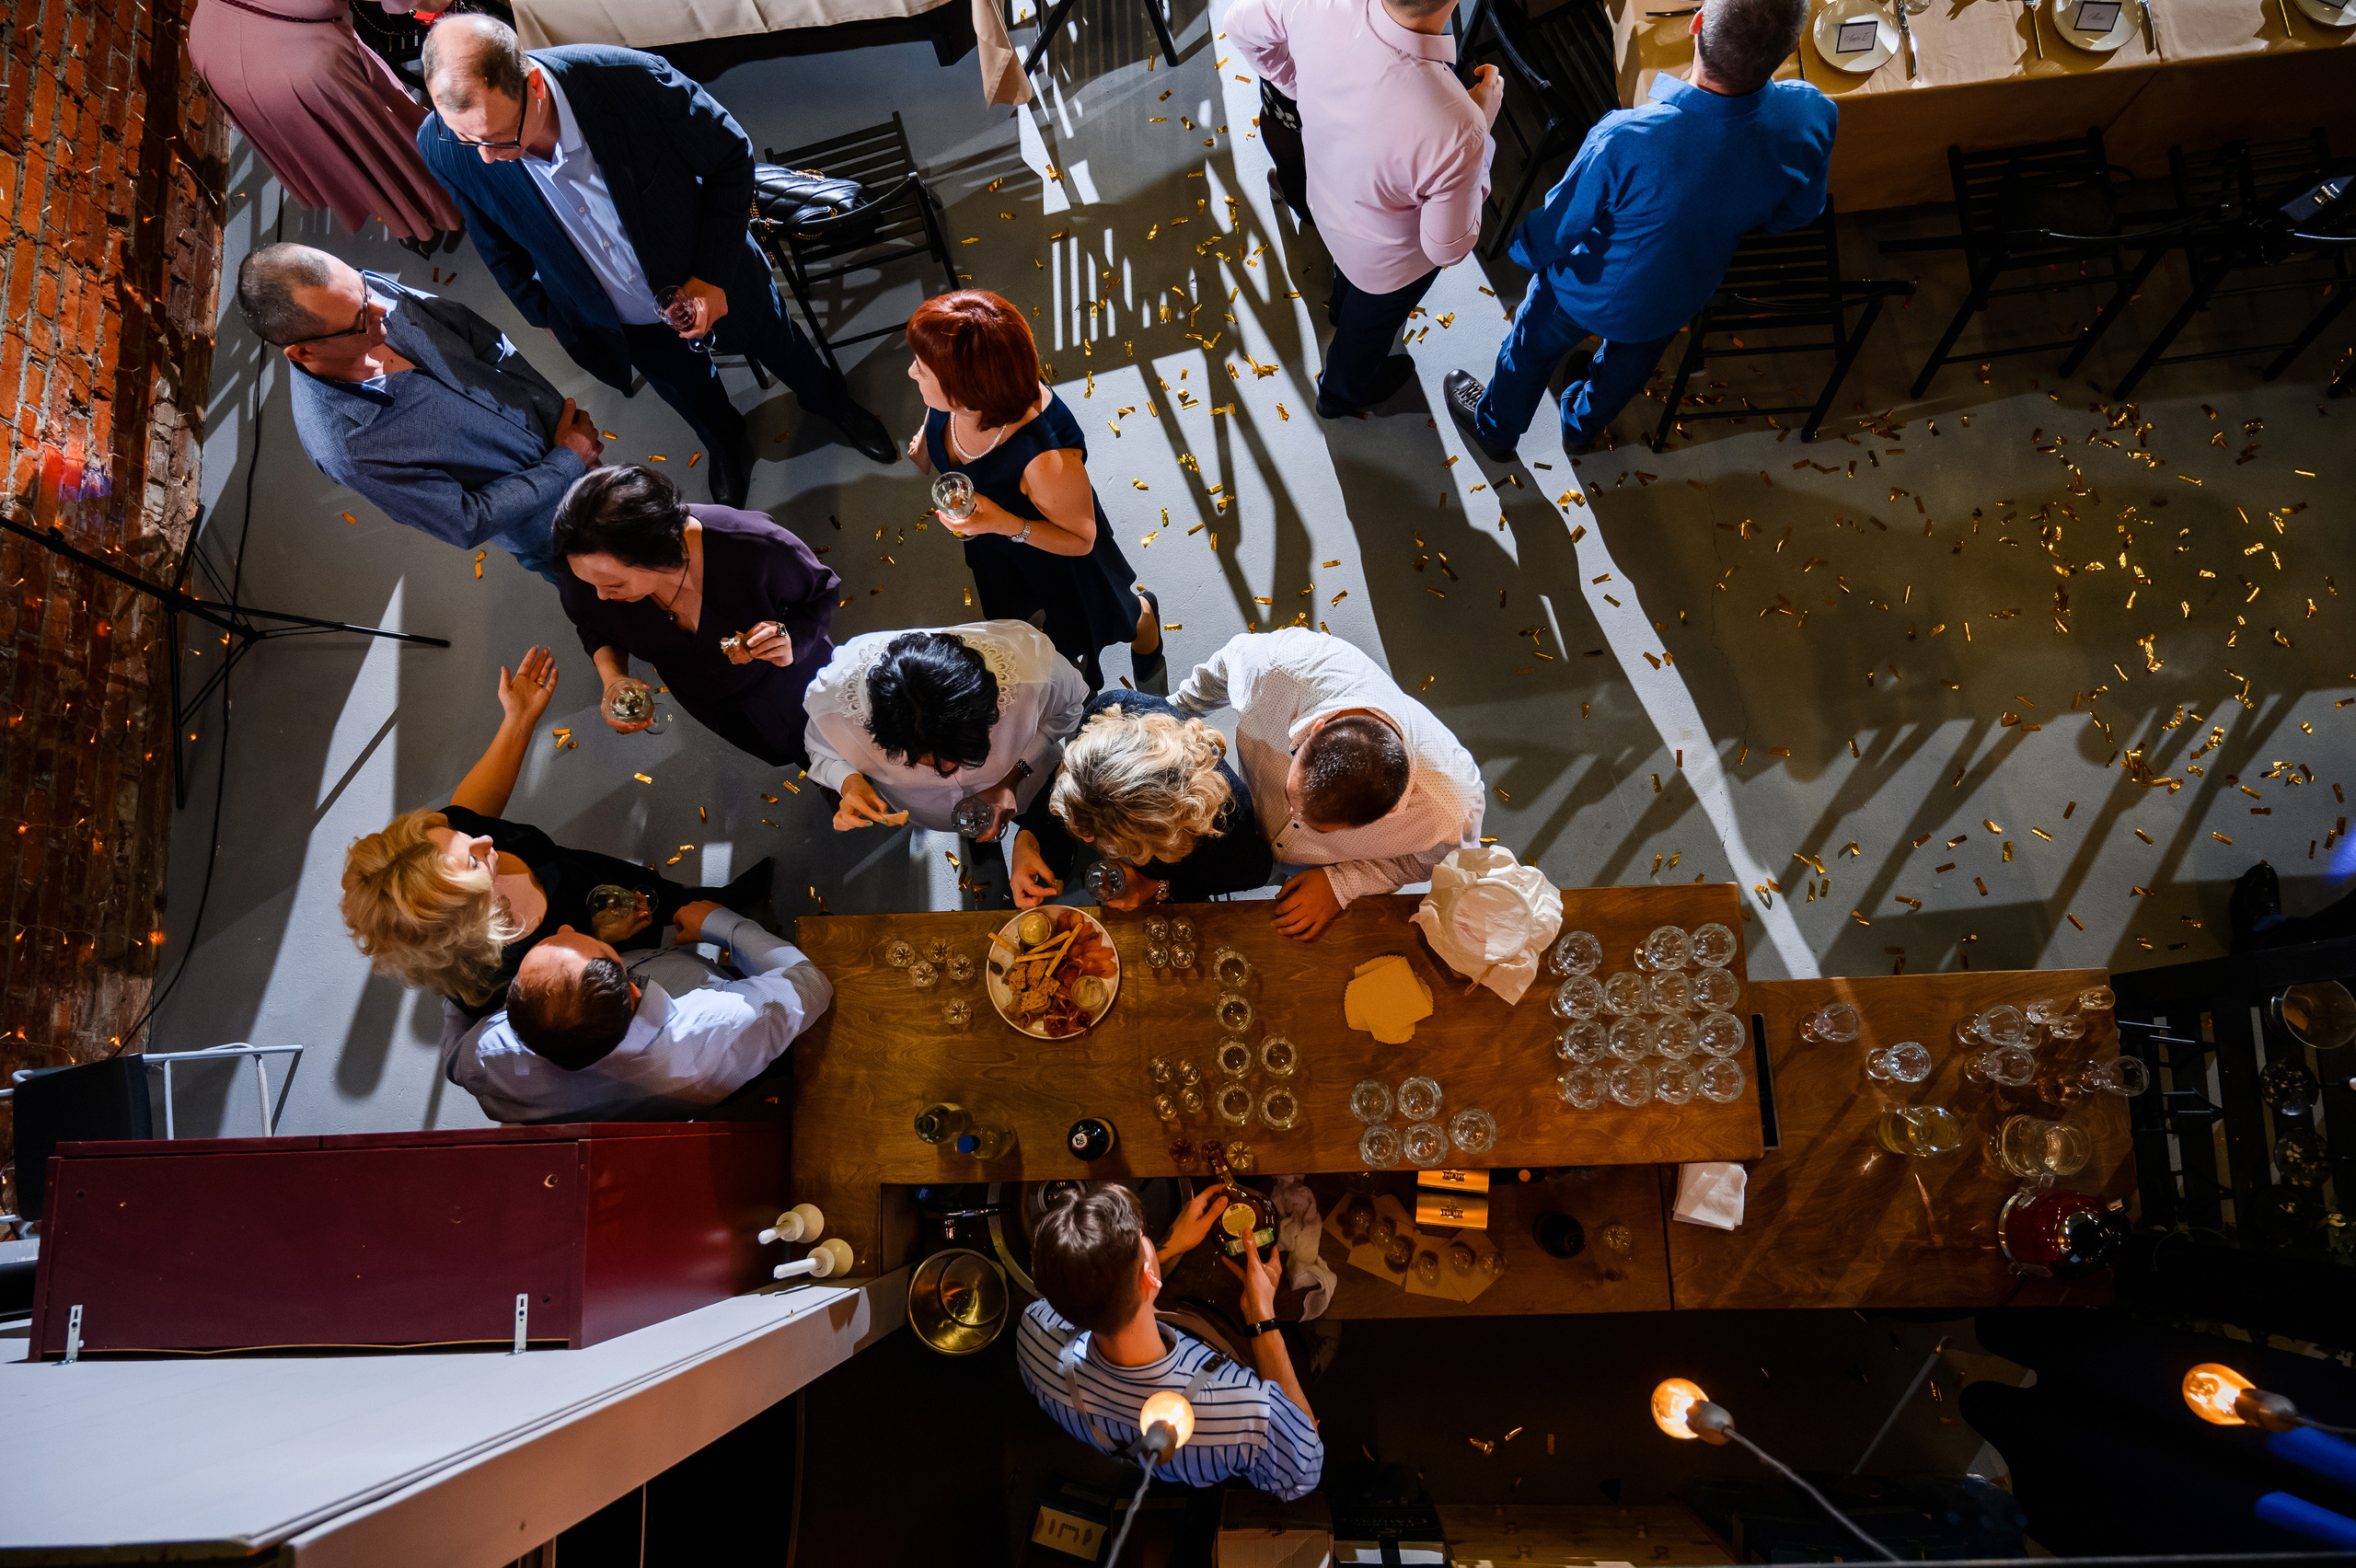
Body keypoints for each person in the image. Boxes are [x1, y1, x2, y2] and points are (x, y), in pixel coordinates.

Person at [413, 15, 896, 509]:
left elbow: (732, 160)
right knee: (689, 395)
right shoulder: (447, 145)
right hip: (622, 322)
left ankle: (833, 403)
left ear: (533, 84)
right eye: (469, 141)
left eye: (496, 138)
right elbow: (495, 243)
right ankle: (725, 440)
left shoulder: (632, 79)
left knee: (781, 344)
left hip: (718, 276)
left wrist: (709, 277)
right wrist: (548, 317)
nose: (487, 159)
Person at [1443, 0, 1834, 459]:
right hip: (1678, 295)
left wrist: (1524, 251)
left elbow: (1560, 226)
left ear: (1697, 23)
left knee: (1528, 354)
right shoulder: (1813, 113)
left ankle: (1496, 429)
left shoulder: (1628, 137)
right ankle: (1579, 426)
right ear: (1790, 49)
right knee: (1624, 372)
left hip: (1582, 291)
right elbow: (1799, 213)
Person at [341, 647, 772, 1023]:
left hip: (592, 877)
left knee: (669, 896)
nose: (483, 841)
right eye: (474, 862)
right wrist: (599, 942)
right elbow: (578, 1002)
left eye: (460, 837)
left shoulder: (457, 836)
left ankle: (726, 903)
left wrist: (519, 718)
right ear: (463, 920)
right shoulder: (495, 979)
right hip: (603, 946)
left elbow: (471, 811)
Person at [240, 243, 600, 583]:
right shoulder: (347, 450)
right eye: (360, 317)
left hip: (579, 451)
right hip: (553, 528)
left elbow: (481, 338)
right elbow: (466, 519)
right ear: (302, 352)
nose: (381, 307)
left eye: (365, 287)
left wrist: (561, 421)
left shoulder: (364, 297)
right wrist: (567, 461)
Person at [1226, 0, 1502, 420]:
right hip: (1386, 260)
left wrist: (1302, 87)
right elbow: (1446, 247)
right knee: (1369, 326)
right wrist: (1480, 126)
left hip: (1327, 198)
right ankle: (1341, 393)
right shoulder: (1458, 125)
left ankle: (1339, 304)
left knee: (1348, 280)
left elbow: (1238, 26)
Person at [905, 291, 1162, 692]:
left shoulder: (1043, 455)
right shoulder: (967, 397)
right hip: (998, 547)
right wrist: (926, 443)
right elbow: (941, 410)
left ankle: (1149, 632)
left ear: (963, 388)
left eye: (922, 368)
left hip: (1056, 554)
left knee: (1115, 617)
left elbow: (1082, 539)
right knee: (1027, 623)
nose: (911, 373)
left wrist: (1002, 522)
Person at [1172, 628, 1484, 940]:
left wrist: (1342, 884)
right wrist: (1170, 720)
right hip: (1242, 804)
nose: (1291, 814)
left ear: (1388, 813)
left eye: (1320, 828)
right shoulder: (1280, 666)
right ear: (1316, 729)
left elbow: (1421, 864)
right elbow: (1224, 668)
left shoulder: (1452, 812)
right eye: (1289, 795)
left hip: (1313, 868)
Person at [1015, 1185, 1322, 1500]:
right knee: (1313, 1340)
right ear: (1150, 1279)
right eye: (1144, 1239)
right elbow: (1305, 1468)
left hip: (1172, 1462)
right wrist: (1263, 1320)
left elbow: (1081, 1293)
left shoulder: (1034, 1339)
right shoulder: (1246, 1413)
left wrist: (1167, 1247)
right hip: (1244, 1359)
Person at [553, 465, 839, 767]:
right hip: (716, 703)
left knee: (850, 735)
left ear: (659, 550)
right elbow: (592, 624)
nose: (599, 595)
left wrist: (791, 638)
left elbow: (822, 595)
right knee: (802, 755)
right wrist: (613, 677)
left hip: (795, 678)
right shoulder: (588, 575)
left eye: (614, 585)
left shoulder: (753, 546)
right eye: (590, 584)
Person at [442, 900, 831, 1123]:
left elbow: (454, 1056)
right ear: (630, 987)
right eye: (600, 951)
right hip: (741, 1072)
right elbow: (812, 984)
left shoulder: (490, 1056)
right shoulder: (722, 1023)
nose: (563, 927)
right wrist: (720, 924)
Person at [190, 0, 462, 254]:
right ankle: (443, 200)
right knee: (377, 131)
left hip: (210, 44)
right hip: (297, 63)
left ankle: (404, 215)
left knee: (333, 147)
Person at [803, 622, 1090, 840]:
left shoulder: (1034, 672)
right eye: (920, 759)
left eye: (963, 752)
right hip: (926, 808)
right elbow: (820, 749)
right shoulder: (833, 703)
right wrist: (849, 782)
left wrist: (1011, 780)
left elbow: (1071, 708)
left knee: (1045, 824)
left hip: (1030, 785)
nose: (950, 770)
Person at [1008, 692, 1274, 910]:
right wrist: (1027, 838)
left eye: (1100, 836)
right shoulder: (1109, 711)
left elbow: (1254, 874)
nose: (1086, 840)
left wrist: (1156, 886)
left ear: (1166, 835)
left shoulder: (1224, 826)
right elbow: (1070, 783)